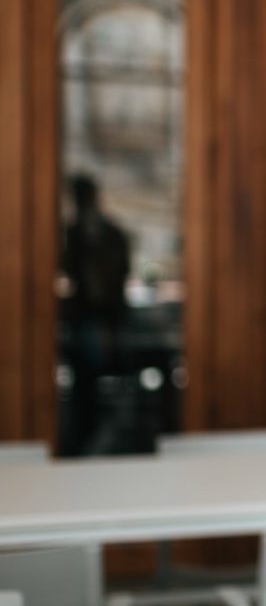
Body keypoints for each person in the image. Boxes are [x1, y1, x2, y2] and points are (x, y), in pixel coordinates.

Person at [61, 172, 131, 455]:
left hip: (105, 317)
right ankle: (87, 438)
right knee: (85, 385)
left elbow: (118, 271)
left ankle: (100, 436)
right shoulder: (77, 233)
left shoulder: (100, 234)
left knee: (99, 383)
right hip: (90, 319)